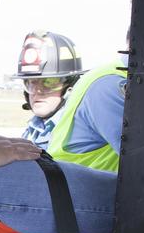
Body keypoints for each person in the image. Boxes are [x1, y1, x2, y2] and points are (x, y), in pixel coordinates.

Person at [15, 30, 126, 172]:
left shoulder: (88, 114)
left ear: (70, 85)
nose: (37, 91)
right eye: (30, 82)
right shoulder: (34, 130)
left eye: (49, 82)